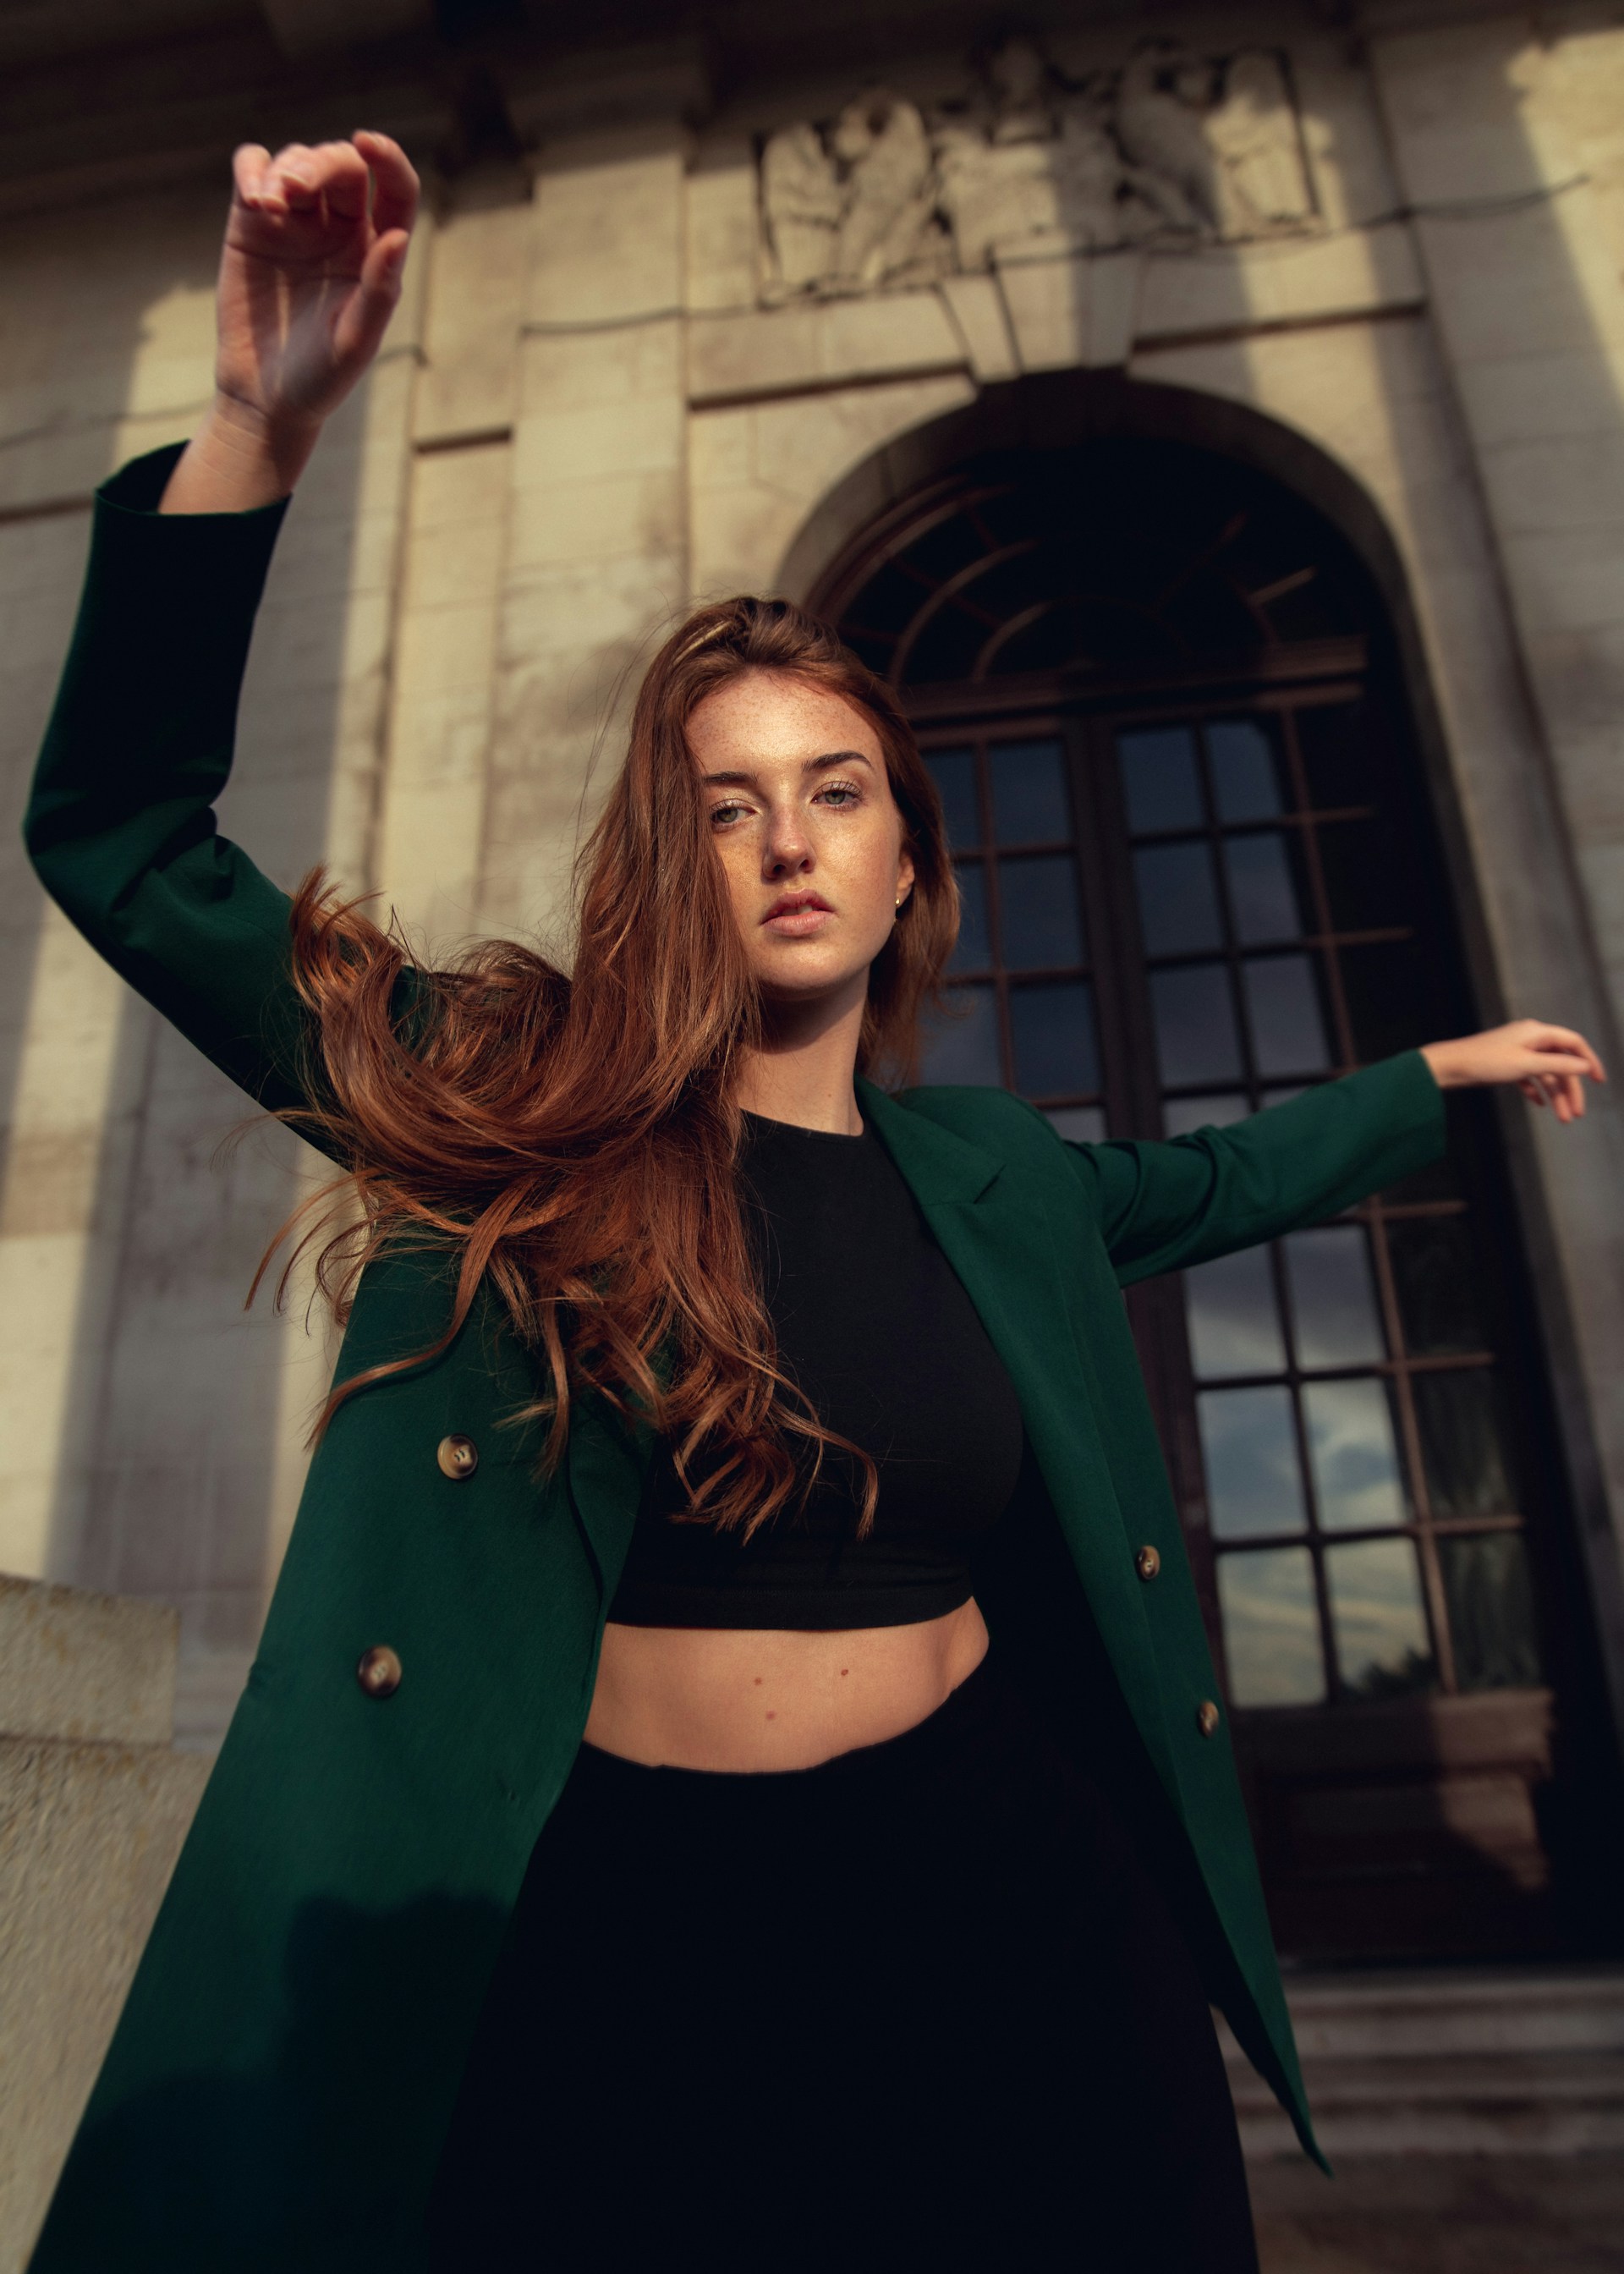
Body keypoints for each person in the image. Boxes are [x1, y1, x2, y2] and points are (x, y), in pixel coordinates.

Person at [21, 133, 1605, 2273]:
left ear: (905, 861)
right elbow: (124, 844)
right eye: (728, 800)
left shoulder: (998, 1177)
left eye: (837, 792)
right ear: (674, 858)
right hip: (628, 1934)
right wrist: (254, 424)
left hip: (1006, 1907)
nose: (788, 838)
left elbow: (1221, 1179)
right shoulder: (517, 1106)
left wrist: (1430, 1079)